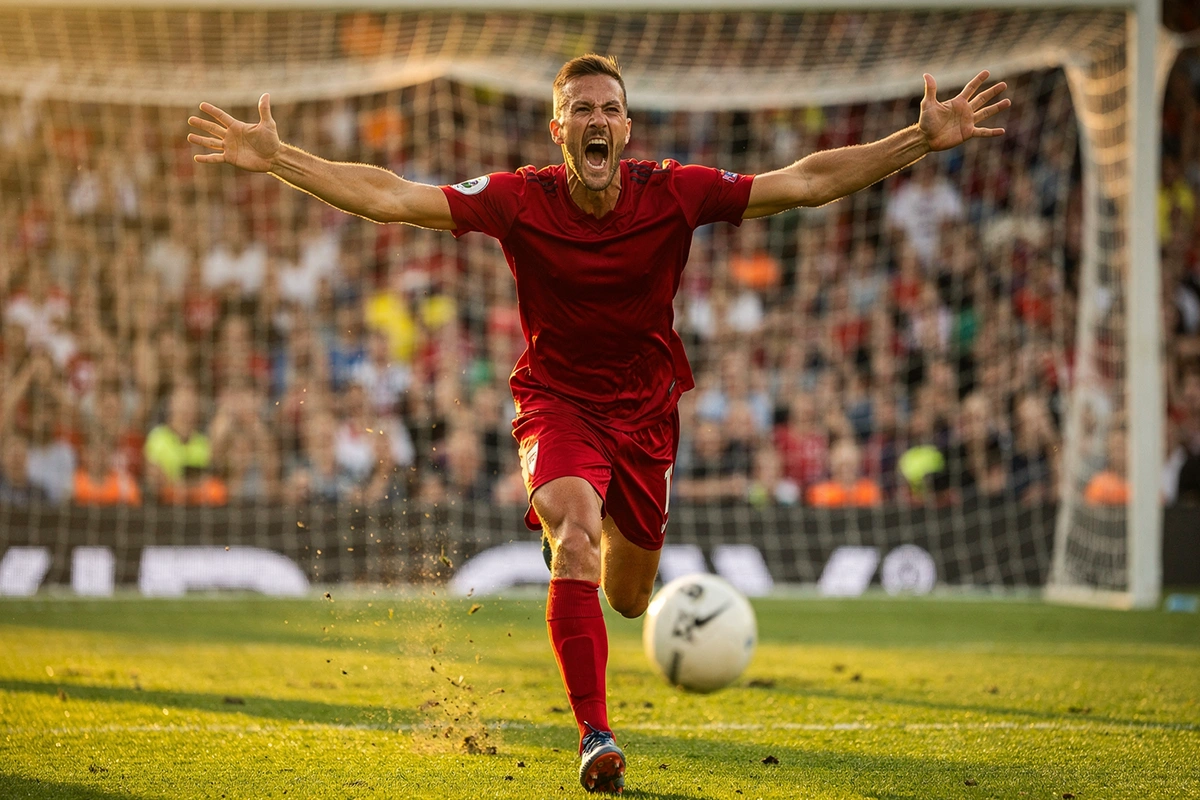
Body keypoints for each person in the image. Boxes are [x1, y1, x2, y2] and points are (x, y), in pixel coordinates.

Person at [189, 54, 1008, 794]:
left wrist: (916, 142)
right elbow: (392, 197)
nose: (596, 120)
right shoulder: (520, 198)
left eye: (609, 109)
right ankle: (595, 734)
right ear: (558, 129)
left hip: (648, 415)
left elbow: (801, 181)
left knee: (628, 596)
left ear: (626, 127)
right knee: (576, 536)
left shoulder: (674, 190)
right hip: (557, 403)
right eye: (580, 108)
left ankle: (586, 555)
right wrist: (280, 159)